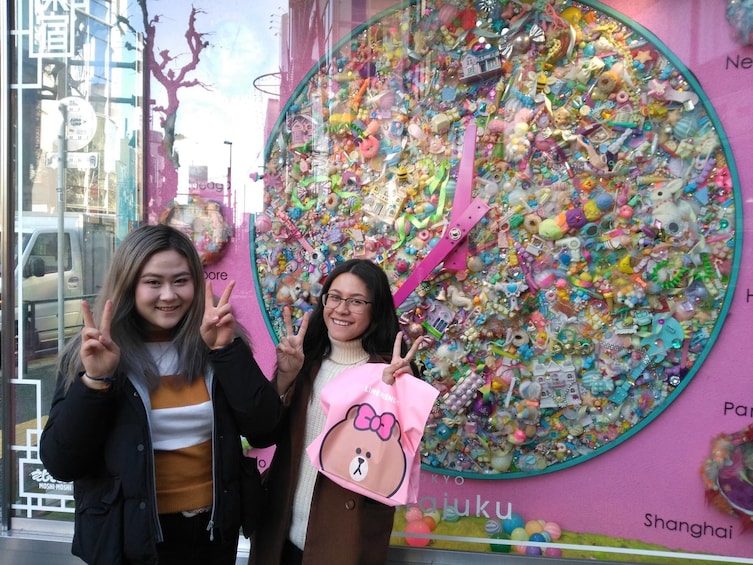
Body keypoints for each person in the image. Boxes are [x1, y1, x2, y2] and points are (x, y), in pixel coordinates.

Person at [40, 224, 282, 565]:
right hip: (129, 537)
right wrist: (95, 381)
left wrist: (226, 352)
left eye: (180, 280)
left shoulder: (218, 341)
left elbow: (265, 429)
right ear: (129, 286)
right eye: (153, 282)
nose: (169, 295)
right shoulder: (96, 350)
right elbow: (61, 462)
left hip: (211, 534)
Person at [250, 258, 426, 565]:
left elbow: (420, 428)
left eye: (356, 301)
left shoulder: (392, 371)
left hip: (345, 536)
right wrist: (283, 378)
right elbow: (263, 433)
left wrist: (408, 390)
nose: (341, 309)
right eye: (335, 297)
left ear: (376, 308)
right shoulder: (305, 361)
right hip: (282, 532)